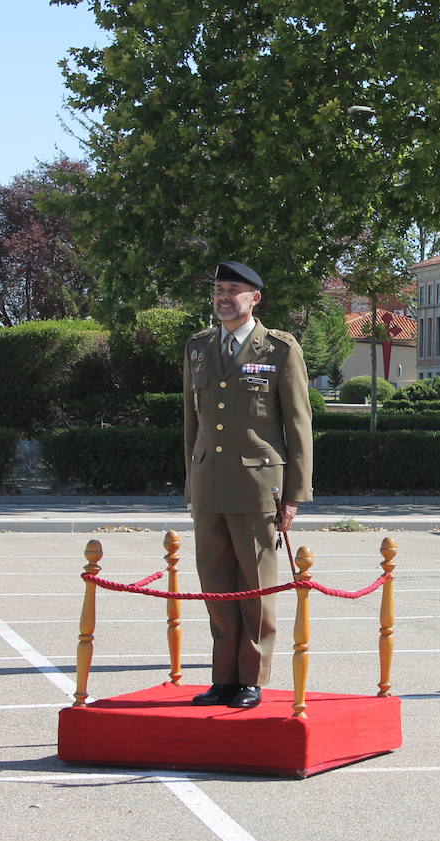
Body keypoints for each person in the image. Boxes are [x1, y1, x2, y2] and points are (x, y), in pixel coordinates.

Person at [183, 261, 314, 708]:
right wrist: (191, 481)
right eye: (219, 289)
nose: (223, 297)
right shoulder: (199, 347)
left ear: (254, 298)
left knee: (256, 587)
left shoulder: (278, 348)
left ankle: (251, 679)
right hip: (209, 485)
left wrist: (295, 495)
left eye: (233, 290)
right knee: (216, 586)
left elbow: (298, 424)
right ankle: (223, 679)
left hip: (259, 486)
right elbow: (191, 423)